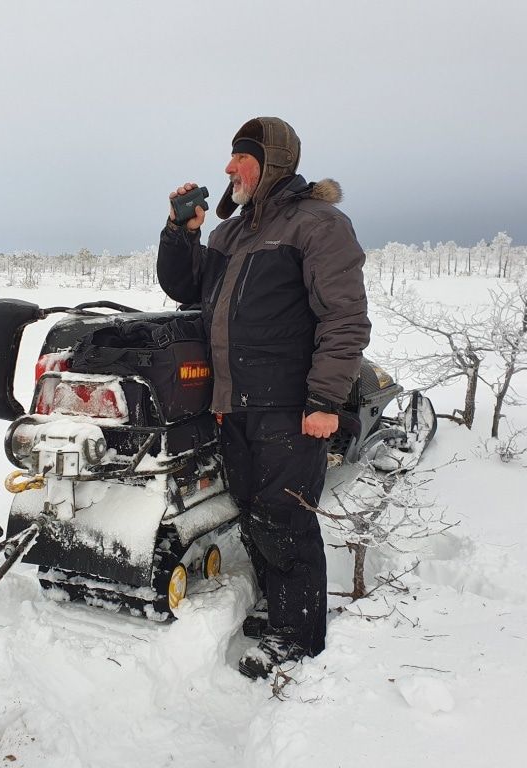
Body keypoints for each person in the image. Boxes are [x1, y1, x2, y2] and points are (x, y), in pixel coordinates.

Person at [156, 116, 371, 679]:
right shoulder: (230, 233)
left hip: (287, 405)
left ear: (271, 163)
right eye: (229, 158)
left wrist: (325, 399)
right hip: (233, 404)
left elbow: (344, 319)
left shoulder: (318, 225)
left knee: (286, 517)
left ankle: (298, 640)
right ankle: (279, 608)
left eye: (240, 159)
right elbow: (185, 288)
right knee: (252, 513)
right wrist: (183, 233)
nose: (228, 168)